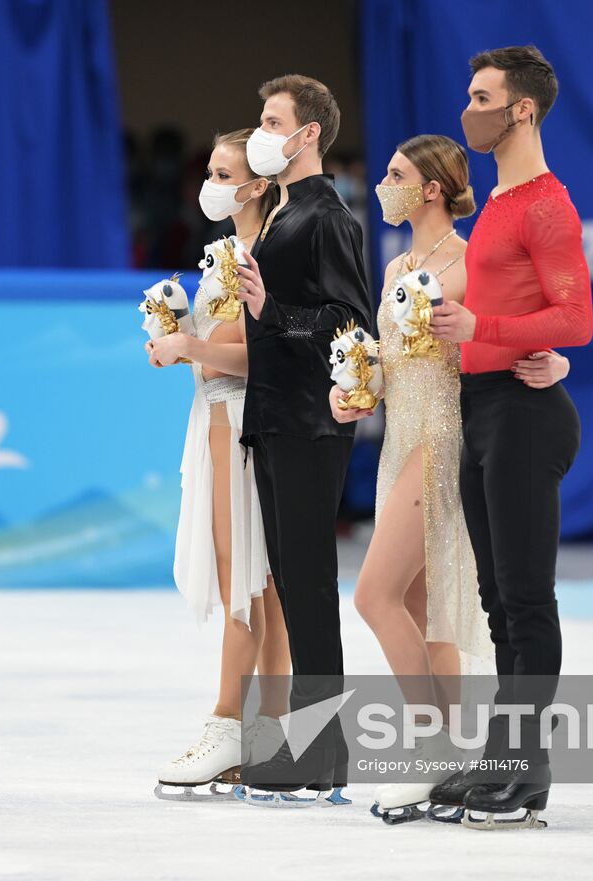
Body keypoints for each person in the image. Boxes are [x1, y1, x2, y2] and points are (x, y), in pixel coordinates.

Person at [330, 134, 570, 823]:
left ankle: (429, 746)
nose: (384, 183)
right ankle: (456, 754)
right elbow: (392, 358)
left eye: (397, 175)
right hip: (400, 430)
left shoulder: (468, 262)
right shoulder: (400, 263)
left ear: (432, 188)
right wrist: (357, 386)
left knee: (375, 595)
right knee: (424, 604)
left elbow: (517, 325)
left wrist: (556, 362)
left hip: (440, 435)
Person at [425, 45, 593, 830]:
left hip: (525, 413)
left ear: (521, 108)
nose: (470, 109)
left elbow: (577, 318)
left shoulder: (545, 204)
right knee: (499, 601)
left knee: (525, 599)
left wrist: (482, 327)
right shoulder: (495, 202)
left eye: (482, 96)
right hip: (483, 406)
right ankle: (505, 755)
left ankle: (524, 768)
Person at [231, 74, 374, 805]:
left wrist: (272, 308)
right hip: (278, 415)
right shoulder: (285, 211)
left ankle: (324, 749)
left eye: (271, 119)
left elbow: (353, 322)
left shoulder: (329, 217)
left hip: (312, 421)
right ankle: (318, 745)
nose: (260, 130)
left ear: (308, 132)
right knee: (294, 583)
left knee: (310, 585)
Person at [145, 130, 292, 800]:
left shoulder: (264, 255)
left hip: (240, 424)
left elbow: (259, 355)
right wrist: (180, 339)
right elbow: (214, 349)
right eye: (209, 170)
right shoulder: (225, 258)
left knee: (248, 581)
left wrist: (186, 346)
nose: (211, 182)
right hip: (213, 420)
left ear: (257, 184)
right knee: (255, 584)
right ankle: (271, 729)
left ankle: (231, 722)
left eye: (223, 171)